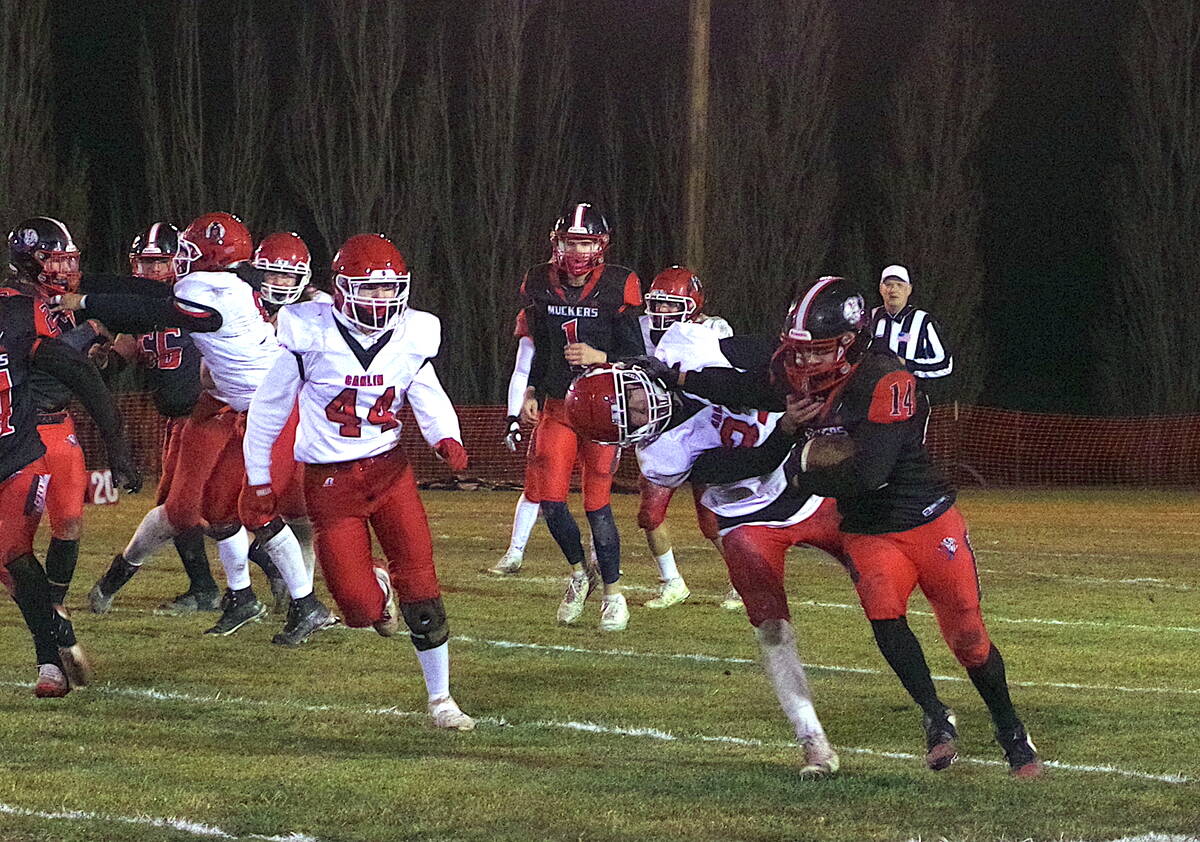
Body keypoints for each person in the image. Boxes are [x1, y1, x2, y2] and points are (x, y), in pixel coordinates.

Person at [657, 276, 1043, 777]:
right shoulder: (799, 371)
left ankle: (1010, 727)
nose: (804, 362)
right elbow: (745, 387)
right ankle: (934, 715)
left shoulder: (885, 377)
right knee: (885, 619)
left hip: (924, 516)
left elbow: (868, 472)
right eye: (799, 350)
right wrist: (682, 378)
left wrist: (799, 466)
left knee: (968, 637)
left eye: (817, 351)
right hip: (867, 527)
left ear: (849, 342)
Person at [565, 346, 842, 777]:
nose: (641, 410)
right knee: (771, 627)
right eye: (629, 420)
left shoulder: (688, 352)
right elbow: (749, 461)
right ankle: (813, 740)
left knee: (881, 583)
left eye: (630, 396)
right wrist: (787, 426)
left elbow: (761, 370)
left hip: (809, 484)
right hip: (749, 514)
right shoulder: (663, 455)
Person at [241, 233, 474, 730]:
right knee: (358, 608)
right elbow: (266, 411)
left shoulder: (413, 335)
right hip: (331, 485)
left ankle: (441, 699)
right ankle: (378, 587)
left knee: (422, 586)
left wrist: (445, 436)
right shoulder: (310, 334)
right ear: (343, 289)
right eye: (368, 288)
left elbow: (426, 391)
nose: (380, 299)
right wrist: (259, 479)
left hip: (390, 473)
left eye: (388, 289)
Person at [70, 212, 333, 644]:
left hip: (274, 411)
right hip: (236, 405)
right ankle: (241, 597)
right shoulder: (226, 284)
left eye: (190, 250)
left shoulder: (215, 293)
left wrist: (81, 301)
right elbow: (151, 292)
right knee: (216, 508)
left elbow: (147, 308)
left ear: (209, 254)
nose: (181, 258)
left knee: (257, 510)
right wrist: (82, 281)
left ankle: (307, 605)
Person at [0, 289, 139, 697]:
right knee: (8, 568)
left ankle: (50, 662)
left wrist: (116, 443)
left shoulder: (14, 315)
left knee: (15, 554)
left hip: (17, 455)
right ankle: (59, 630)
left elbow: (78, 371)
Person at [518, 201, 643, 631]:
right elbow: (544, 347)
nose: (577, 251)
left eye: (586, 243)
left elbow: (639, 357)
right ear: (557, 243)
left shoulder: (619, 284)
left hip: (603, 411)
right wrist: (532, 389)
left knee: (597, 505)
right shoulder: (539, 281)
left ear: (601, 245)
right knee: (551, 502)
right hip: (558, 405)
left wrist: (599, 356)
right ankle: (578, 573)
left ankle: (613, 595)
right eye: (571, 242)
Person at [95, 222, 221, 614]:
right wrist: (100, 357)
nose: (150, 271)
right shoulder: (139, 312)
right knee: (181, 507)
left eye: (159, 262)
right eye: (144, 263)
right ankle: (208, 588)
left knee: (207, 508)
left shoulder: (196, 300)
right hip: (176, 422)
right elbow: (119, 358)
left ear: (179, 262)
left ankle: (260, 587)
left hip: (209, 418)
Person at [3, 217, 119, 612]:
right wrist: (88, 333)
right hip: (26, 428)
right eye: (55, 260)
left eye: (69, 260)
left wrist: (97, 352)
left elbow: (77, 366)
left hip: (60, 422)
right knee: (17, 538)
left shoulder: (62, 303)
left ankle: (54, 606)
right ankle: (40, 609)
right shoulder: (15, 304)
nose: (66, 268)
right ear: (29, 260)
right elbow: (47, 359)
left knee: (69, 522)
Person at [635, 265, 732, 609]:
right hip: (662, 433)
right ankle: (672, 582)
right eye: (657, 303)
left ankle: (742, 579)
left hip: (704, 429)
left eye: (670, 304)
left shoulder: (714, 330)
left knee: (711, 519)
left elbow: (725, 381)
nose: (661, 311)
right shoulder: (641, 329)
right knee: (649, 515)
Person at [870, 265, 953, 388]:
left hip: (909, 395)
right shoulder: (870, 317)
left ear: (909, 289)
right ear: (881, 289)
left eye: (899, 285)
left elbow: (945, 363)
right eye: (888, 285)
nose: (893, 290)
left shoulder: (923, 321)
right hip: (871, 393)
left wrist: (908, 365)